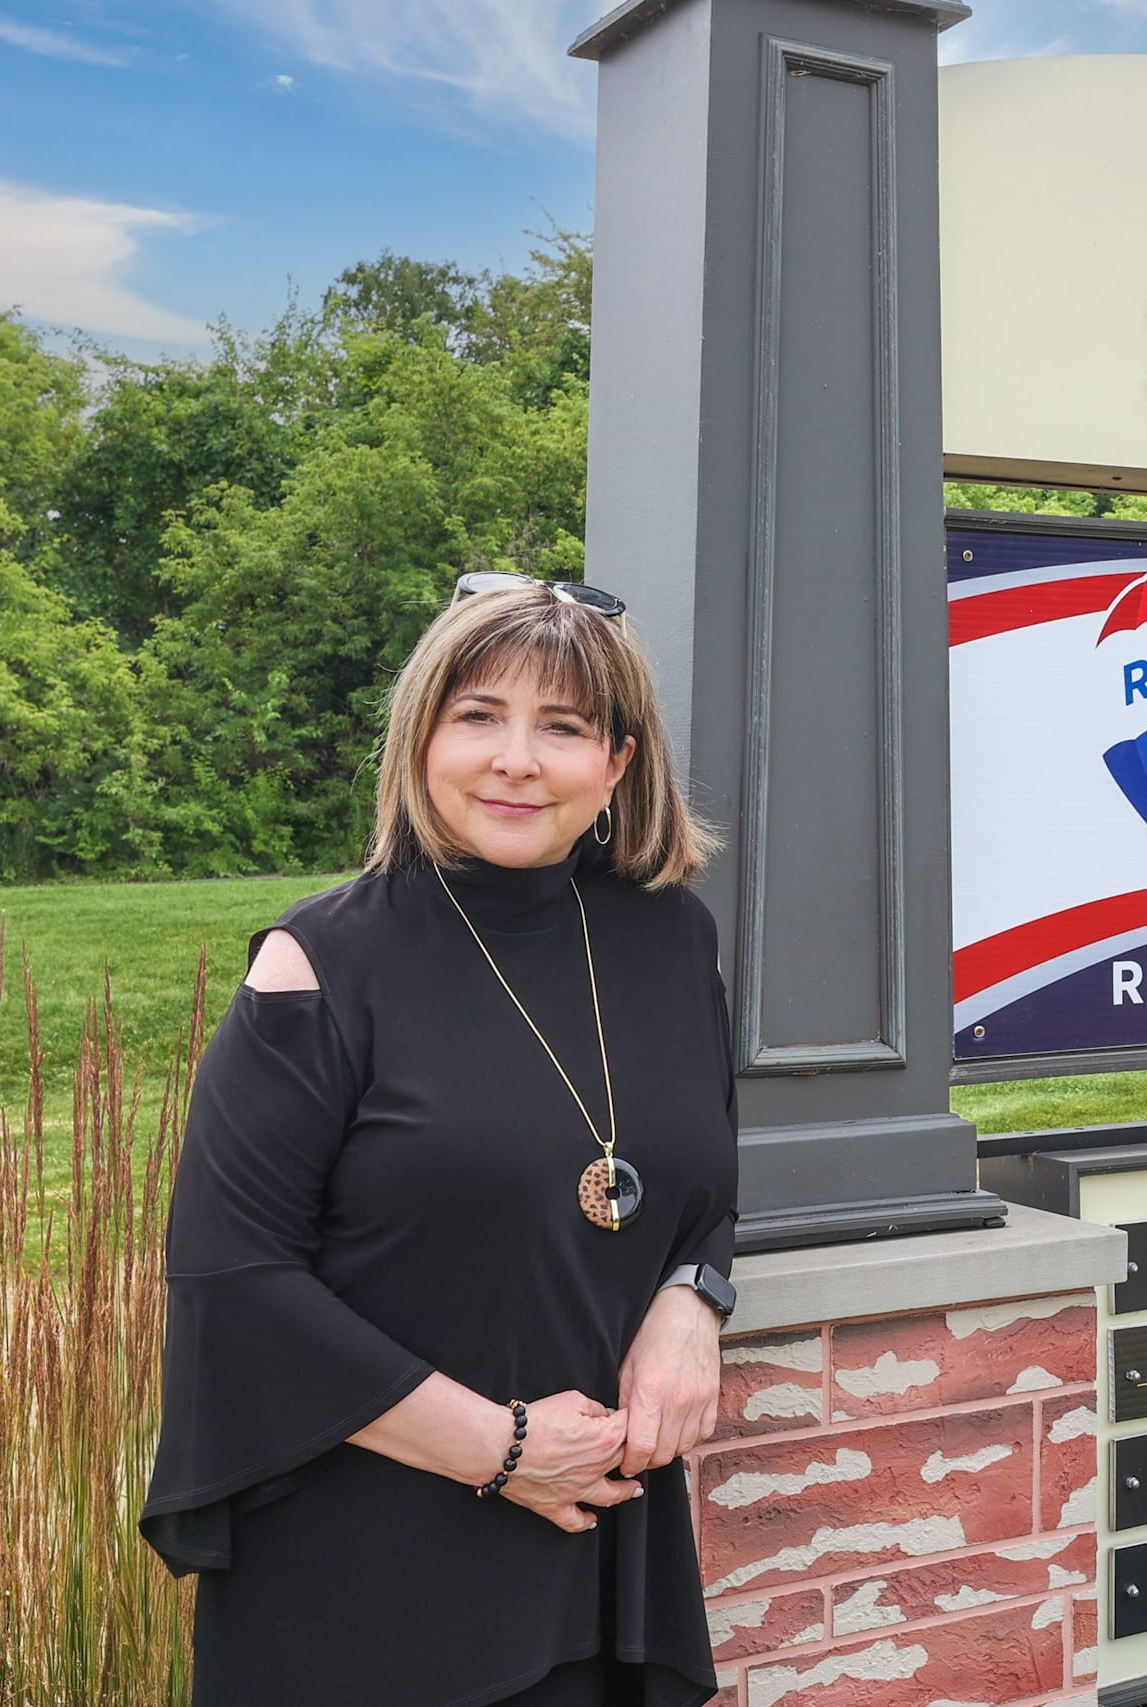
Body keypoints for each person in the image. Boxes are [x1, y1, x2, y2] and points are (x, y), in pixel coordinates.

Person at [141, 575, 740, 1707]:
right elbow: (234, 1278)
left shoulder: (671, 942)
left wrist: (692, 1303)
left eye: (560, 727)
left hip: (603, 1545)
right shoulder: (322, 962)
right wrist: (496, 1448)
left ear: (616, 762)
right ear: (422, 738)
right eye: (478, 716)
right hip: (370, 1569)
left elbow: (704, 1190)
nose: (515, 758)